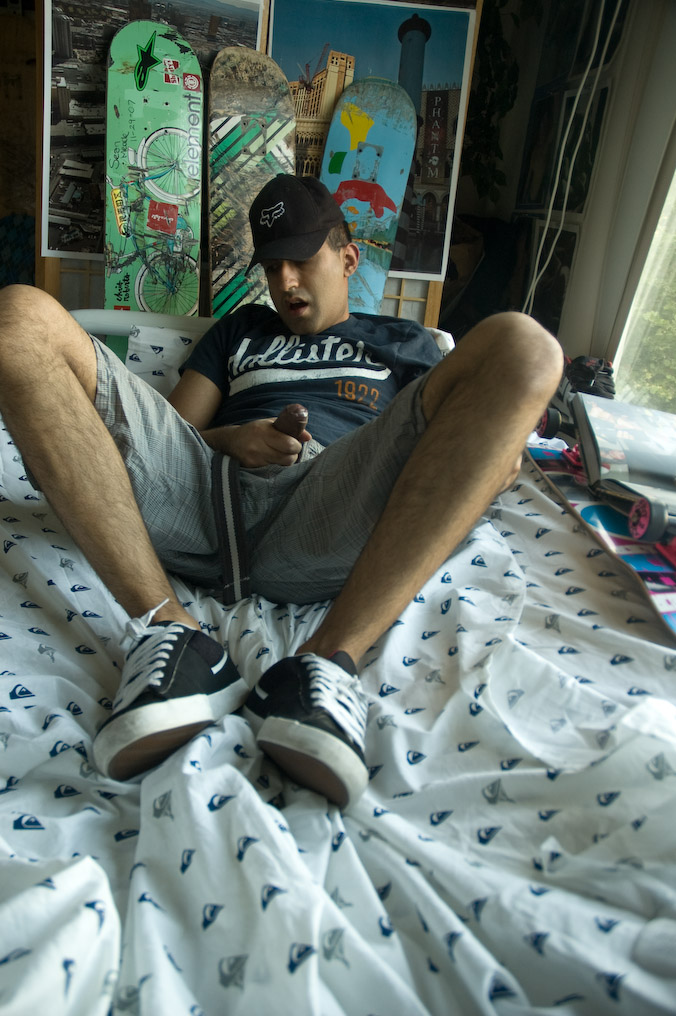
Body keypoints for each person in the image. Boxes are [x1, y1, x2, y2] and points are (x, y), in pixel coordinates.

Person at [0, 175, 563, 808]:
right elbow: (171, 435)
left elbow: (442, 442)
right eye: (272, 267)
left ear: (348, 257)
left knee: (526, 348)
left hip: (334, 498)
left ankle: (327, 663)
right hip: (204, 493)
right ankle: (172, 632)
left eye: (302, 260)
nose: (286, 281)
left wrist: (495, 451)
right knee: (18, 316)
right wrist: (233, 438)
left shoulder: (404, 342)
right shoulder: (239, 329)